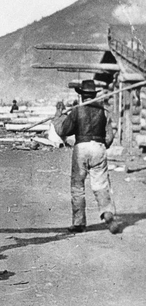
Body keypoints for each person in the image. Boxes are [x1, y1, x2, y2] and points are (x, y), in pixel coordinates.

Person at [55, 79, 120, 234]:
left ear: (82, 95)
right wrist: (102, 145)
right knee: (101, 184)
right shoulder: (104, 111)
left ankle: (79, 223)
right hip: (98, 147)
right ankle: (108, 214)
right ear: (94, 95)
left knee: (77, 186)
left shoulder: (77, 111)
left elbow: (63, 130)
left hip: (81, 149)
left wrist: (58, 115)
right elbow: (110, 136)